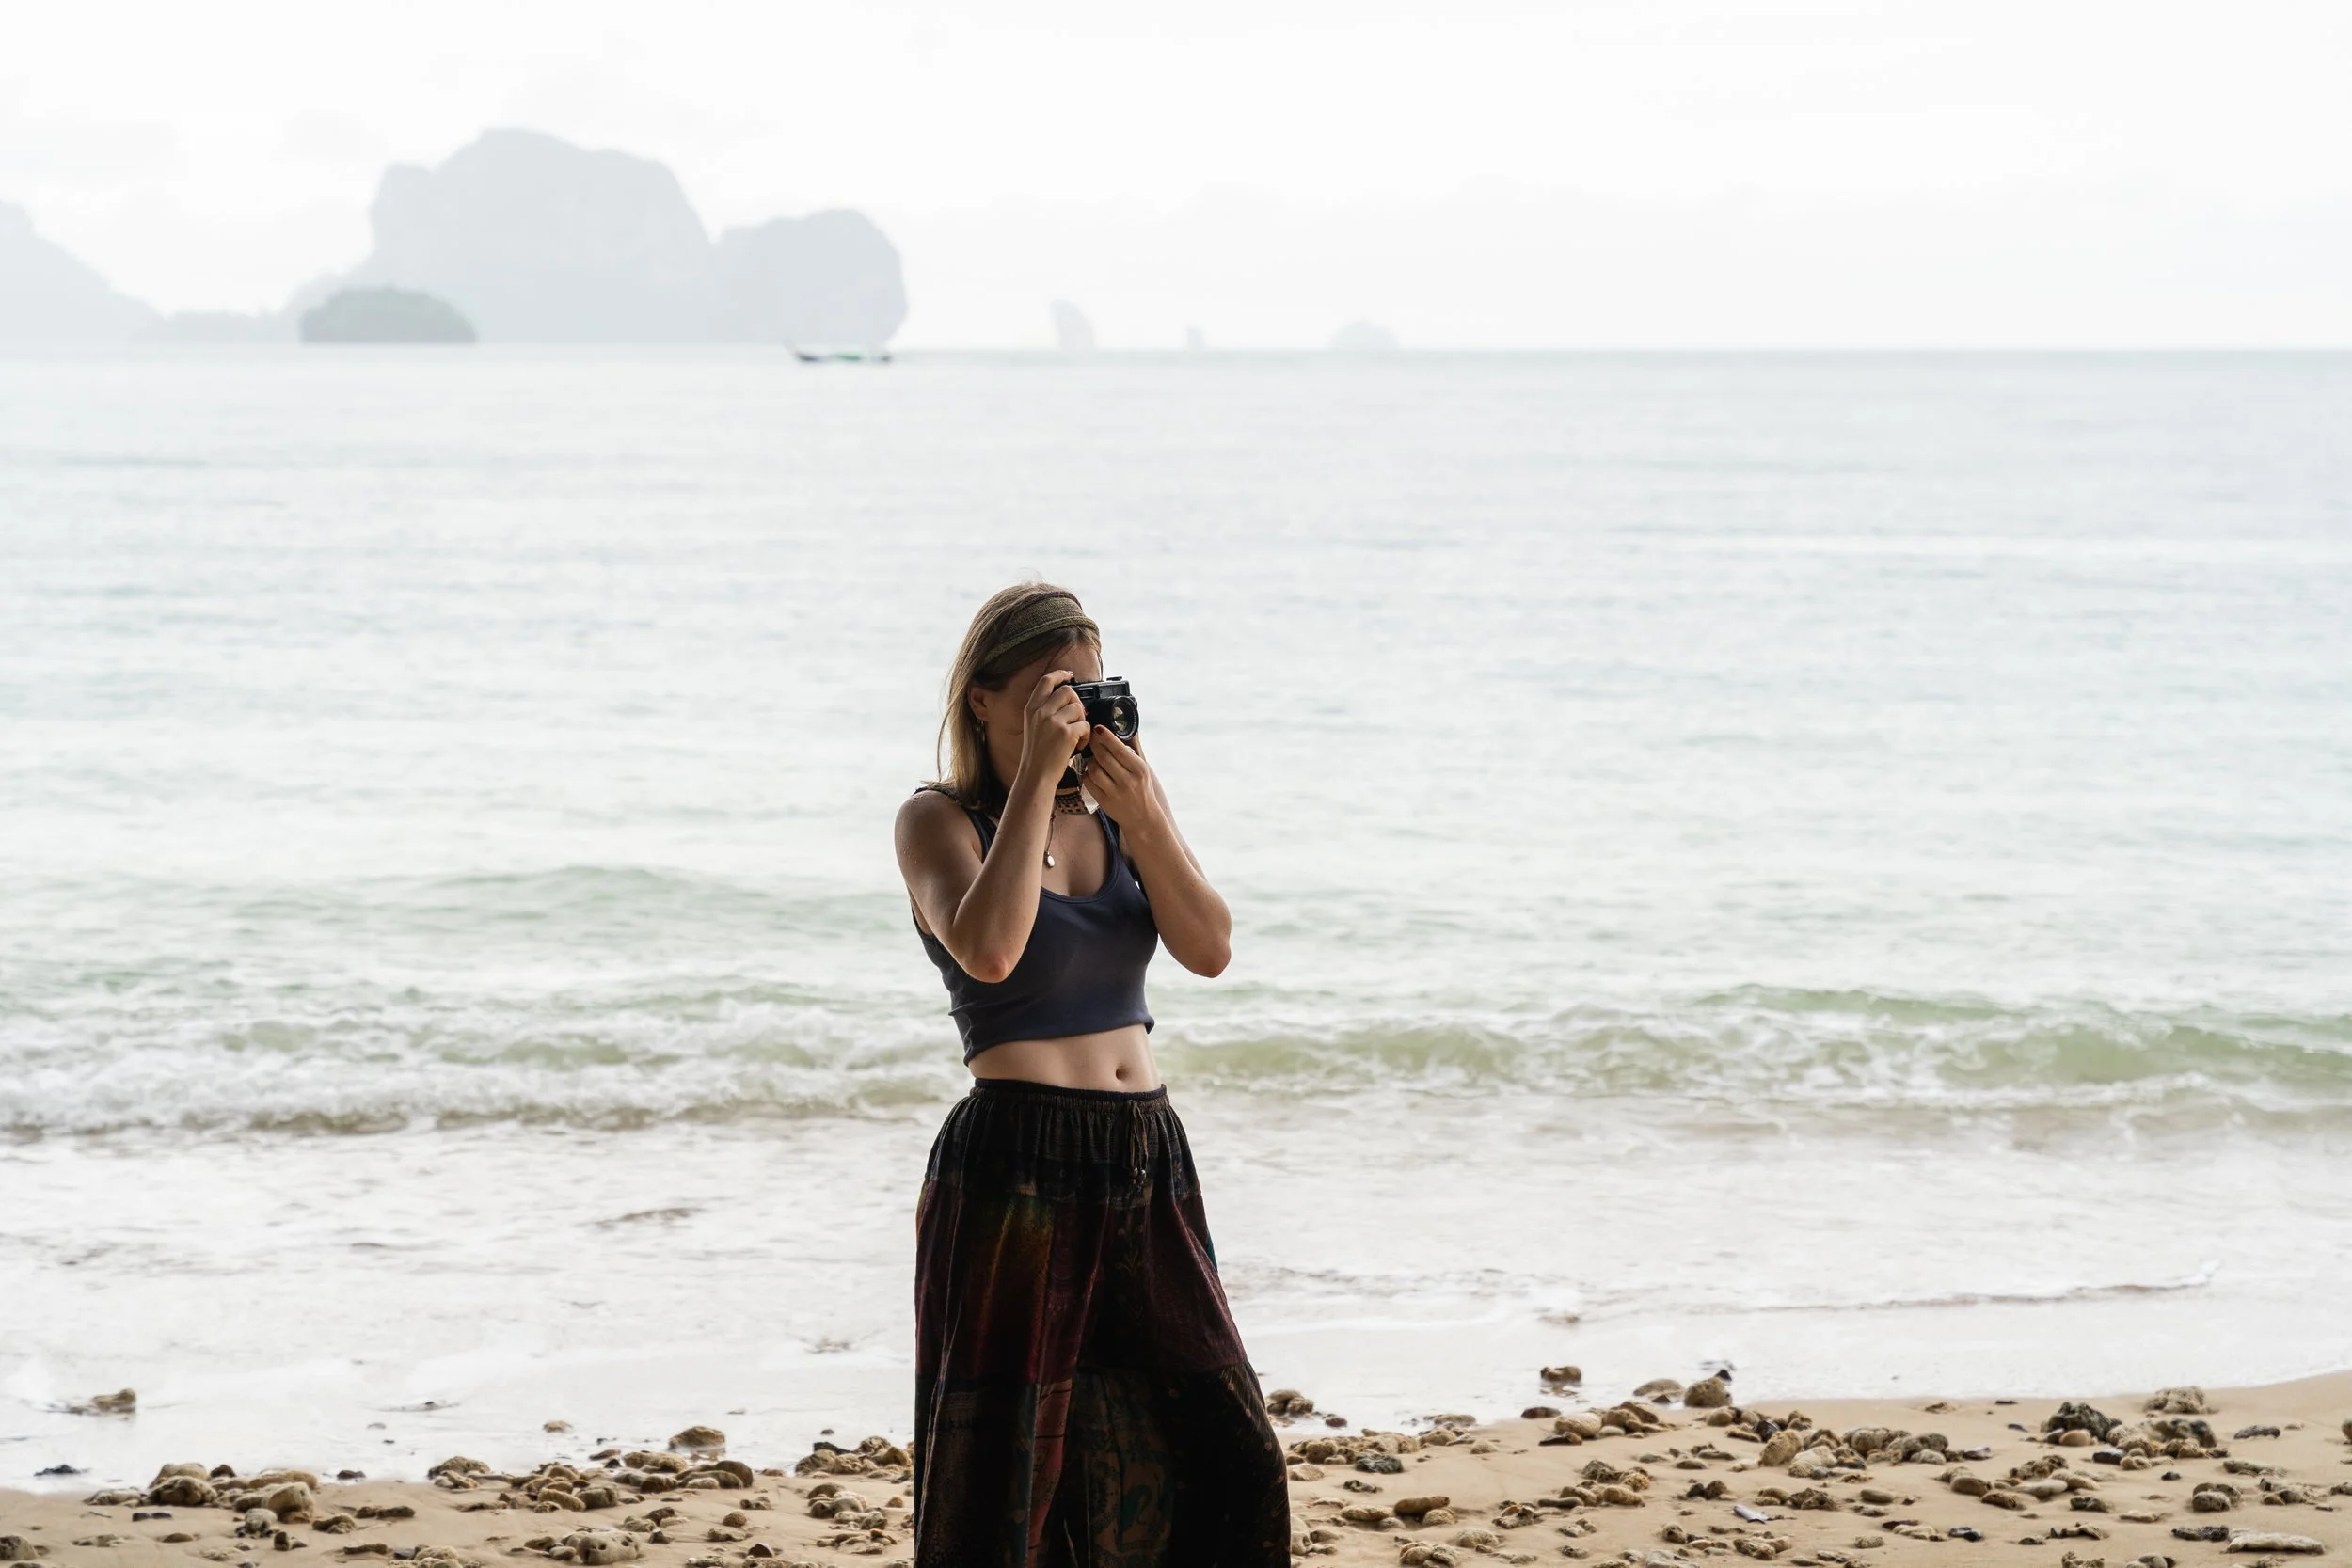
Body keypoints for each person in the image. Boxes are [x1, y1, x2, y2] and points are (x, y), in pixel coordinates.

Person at [893, 583, 1291, 1566]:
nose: (1074, 713)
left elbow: (1209, 947)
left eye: (1087, 690)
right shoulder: (936, 820)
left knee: (1227, 1450)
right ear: (982, 700)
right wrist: (1034, 780)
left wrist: (1144, 809)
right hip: (1013, 1157)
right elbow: (988, 950)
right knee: (1009, 1472)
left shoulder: (1118, 816)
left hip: (1145, 1152)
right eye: (1048, 695)